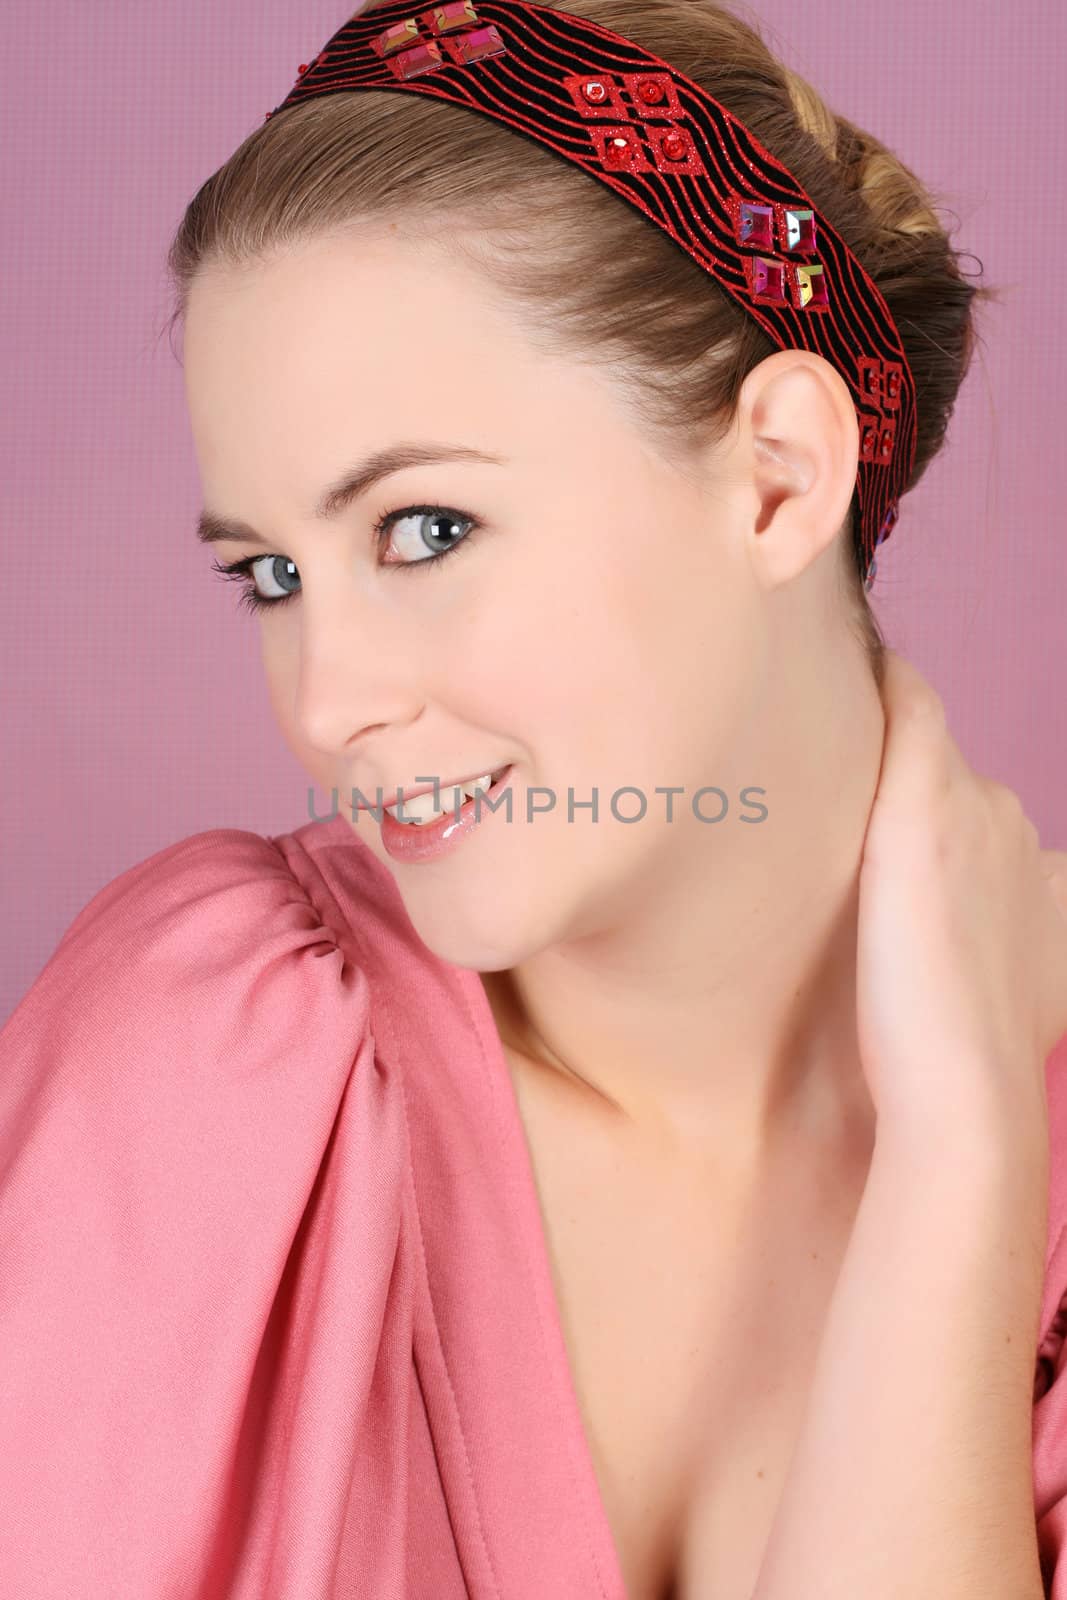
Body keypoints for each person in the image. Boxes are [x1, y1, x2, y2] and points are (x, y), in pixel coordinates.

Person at [2, 1, 1066, 1596]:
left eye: (425, 530)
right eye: (274, 575)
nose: (327, 697)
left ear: (778, 474)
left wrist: (960, 1170)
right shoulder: (212, 1069)